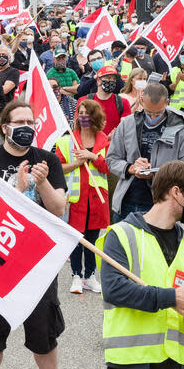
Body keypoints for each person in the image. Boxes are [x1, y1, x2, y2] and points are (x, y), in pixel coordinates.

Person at [0, 101, 67, 369]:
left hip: (37, 263)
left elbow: (58, 208)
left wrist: (43, 183)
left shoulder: (47, 160)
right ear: (5, 128)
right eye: (20, 122)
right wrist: (17, 189)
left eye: (31, 122)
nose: (27, 127)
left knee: (44, 337)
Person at [98, 160, 184, 369]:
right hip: (130, 362)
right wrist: (172, 297)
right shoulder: (121, 234)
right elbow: (114, 289)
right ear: (176, 192)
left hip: (175, 363)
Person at [107, 83, 184, 222]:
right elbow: (112, 159)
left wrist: (156, 176)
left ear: (167, 102)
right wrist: (131, 168)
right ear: (142, 101)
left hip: (161, 203)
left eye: (158, 113)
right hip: (126, 201)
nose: (153, 118)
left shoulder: (183, 130)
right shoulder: (127, 124)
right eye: (149, 112)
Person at [55, 99, 110, 294]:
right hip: (75, 200)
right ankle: (76, 275)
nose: (83, 116)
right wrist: (77, 164)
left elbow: (109, 168)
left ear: (95, 116)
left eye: (87, 113)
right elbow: (58, 168)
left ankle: (90, 276)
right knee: (76, 239)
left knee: (93, 240)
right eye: (80, 112)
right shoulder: (66, 140)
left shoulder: (104, 140)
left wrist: (94, 158)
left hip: (96, 200)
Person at [79, 66, 132, 140]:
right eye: (108, 78)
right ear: (98, 80)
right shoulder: (84, 101)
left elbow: (126, 127)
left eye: (114, 79)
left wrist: (118, 133)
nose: (111, 81)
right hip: (91, 146)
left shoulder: (123, 102)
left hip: (113, 147)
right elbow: (79, 128)